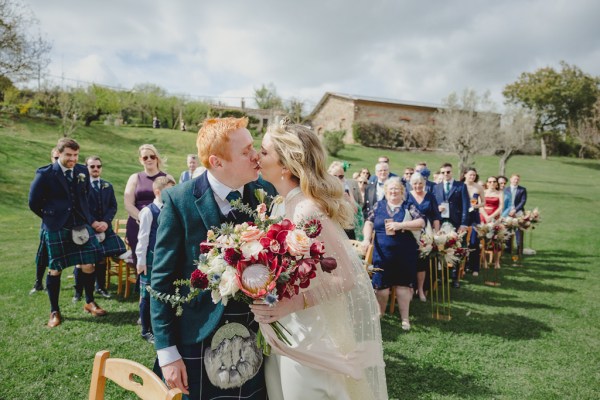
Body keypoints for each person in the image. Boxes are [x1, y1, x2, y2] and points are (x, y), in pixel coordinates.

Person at [250, 118, 387, 400]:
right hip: (282, 330)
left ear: (286, 165)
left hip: (308, 336)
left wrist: (291, 304)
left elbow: (346, 277)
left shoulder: (306, 210)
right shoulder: (279, 205)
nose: (256, 157)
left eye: (264, 152)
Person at [150, 117, 275, 399]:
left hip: (253, 335)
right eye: (246, 151)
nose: (256, 156)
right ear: (217, 162)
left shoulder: (264, 194)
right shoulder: (179, 200)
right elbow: (161, 281)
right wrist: (167, 352)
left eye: (253, 147)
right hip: (198, 336)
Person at [29, 138, 107, 328]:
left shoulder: (81, 171)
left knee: (89, 263)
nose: (73, 159)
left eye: (76, 155)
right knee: (55, 268)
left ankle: (89, 302)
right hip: (56, 227)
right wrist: (50, 217)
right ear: (59, 153)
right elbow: (33, 202)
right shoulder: (45, 173)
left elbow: (85, 196)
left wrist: (87, 218)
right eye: (69, 155)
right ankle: (54, 310)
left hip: (80, 225)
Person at [362, 177, 425, 331]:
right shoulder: (379, 205)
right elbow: (369, 222)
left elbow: (421, 222)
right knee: (381, 288)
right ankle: (380, 314)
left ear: (402, 191)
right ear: (386, 191)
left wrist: (400, 225)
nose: (393, 191)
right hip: (382, 254)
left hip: (404, 253)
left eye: (397, 189)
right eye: (391, 189)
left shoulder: (408, 205)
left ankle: (405, 319)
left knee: (403, 287)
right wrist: (365, 239)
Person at [73, 156, 126, 301]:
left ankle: (101, 287)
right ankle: (78, 292)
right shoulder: (80, 186)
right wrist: (93, 222)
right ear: (86, 168)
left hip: (104, 228)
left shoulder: (107, 185)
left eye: (98, 166)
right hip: (86, 229)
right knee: (81, 260)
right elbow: (79, 208)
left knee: (101, 259)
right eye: (92, 166)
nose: (96, 169)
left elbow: (113, 206)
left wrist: (106, 222)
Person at [136, 176, 175, 344]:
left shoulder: (171, 209)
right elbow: (142, 238)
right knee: (147, 295)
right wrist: (141, 261)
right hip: (151, 258)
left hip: (167, 257)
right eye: (169, 190)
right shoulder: (148, 211)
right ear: (158, 192)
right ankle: (146, 330)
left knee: (164, 292)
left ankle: (161, 325)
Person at [124, 144, 174, 268]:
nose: (149, 159)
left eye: (152, 156)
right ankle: (141, 285)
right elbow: (128, 203)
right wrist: (143, 218)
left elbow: (173, 203)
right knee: (140, 259)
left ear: (157, 158)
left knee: (159, 259)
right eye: (145, 157)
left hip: (161, 224)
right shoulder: (135, 178)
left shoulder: (167, 178)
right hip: (137, 223)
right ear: (141, 160)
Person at [433, 163, 469, 288]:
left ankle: (455, 277)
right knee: (440, 247)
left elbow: (466, 206)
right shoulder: (436, 187)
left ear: (452, 172)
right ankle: (441, 276)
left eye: (448, 172)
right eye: (443, 172)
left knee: (456, 248)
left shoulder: (461, 186)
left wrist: (464, 223)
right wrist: (438, 209)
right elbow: (433, 206)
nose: (446, 174)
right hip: (441, 223)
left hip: (456, 221)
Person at [406, 172, 441, 301]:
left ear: (424, 183)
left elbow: (436, 216)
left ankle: (421, 289)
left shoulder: (430, 196)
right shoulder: (407, 196)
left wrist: (436, 235)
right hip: (411, 234)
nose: (418, 186)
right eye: (415, 183)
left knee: (422, 263)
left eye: (420, 183)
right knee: (410, 261)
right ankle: (410, 288)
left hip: (426, 234)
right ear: (411, 184)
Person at [30, 147, 61, 295]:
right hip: (49, 222)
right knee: (42, 253)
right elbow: (35, 201)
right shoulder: (46, 175)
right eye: (55, 158)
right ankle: (38, 282)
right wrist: (46, 216)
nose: (57, 160)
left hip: (67, 222)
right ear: (51, 158)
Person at [327, 161, 361, 240]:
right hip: (333, 230)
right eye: (335, 176)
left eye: (341, 176)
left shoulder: (346, 189)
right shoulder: (325, 191)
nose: (338, 179)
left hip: (348, 229)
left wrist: (348, 200)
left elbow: (355, 211)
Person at [462, 168, 485, 276]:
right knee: (462, 241)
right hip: (462, 216)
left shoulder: (478, 187)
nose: (472, 177)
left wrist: (476, 205)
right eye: (470, 175)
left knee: (474, 241)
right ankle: (463, 266)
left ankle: (475, 267)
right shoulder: (460, 185)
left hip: (474, 216)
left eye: (474, 175)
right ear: (465, 174)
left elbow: (483, 202)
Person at [505, 174, 527, 254]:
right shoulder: (506, 189)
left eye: (517, 179)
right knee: (507, 230)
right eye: (514, 179)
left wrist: (515, 210)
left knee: (519, 230)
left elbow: (523, 201)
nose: (516, 181)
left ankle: (519, 249)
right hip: (507, 212)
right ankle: (508, 248)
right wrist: (509, 211)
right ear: (511, 179)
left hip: (518, 212)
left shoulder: (522, 190)